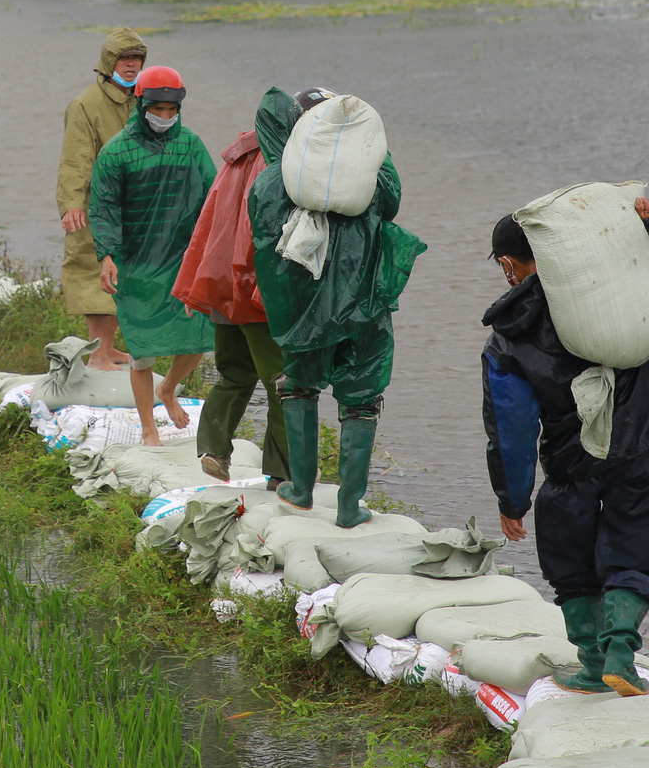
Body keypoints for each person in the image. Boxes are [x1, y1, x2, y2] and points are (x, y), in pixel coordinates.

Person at [480, 198, 649, 697]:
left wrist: (512, 500)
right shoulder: (619, 297)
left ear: (511, 263)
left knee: (572, 563)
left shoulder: (508, 340)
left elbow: (510, 428)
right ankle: (622, 655)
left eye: (503, 264)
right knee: (635, 548)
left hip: (570, 464)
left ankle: (591, 665)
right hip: (642, 446)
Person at [248, 87, 421, 528]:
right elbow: (393, 201)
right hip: (364, 305)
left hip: (306, 312)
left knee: (300, 386)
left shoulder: (273, 181)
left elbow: (265, 239)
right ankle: (349, 507)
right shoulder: (369, 179)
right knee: (362, 399)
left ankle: (300, 491)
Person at [88, 66, 215, 448]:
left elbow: (213, 196)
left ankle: (169, 389)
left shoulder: (190, 145)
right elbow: (104, 207)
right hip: (138, 263)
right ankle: (148, 429)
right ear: (140, 104)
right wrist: (107, 254)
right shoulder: (116, 152)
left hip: (182, 259)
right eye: (156, 109)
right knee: (142, 350)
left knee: (199, 336)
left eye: (170, 109)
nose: (163, 117)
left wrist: (213, 251)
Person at [170, 119, 292, 487]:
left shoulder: (234, 159)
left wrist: (194, 281)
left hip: (223, 285)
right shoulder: (282, 163)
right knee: (284, 385)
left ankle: (213, 449)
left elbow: (208, 224)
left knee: (233, 375)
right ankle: (283, 474)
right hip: (256, 294)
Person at [58, 27, 148, 371]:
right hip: (98, 205)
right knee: (92, 270)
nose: (131, 64)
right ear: (108, 62)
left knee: (125, 275)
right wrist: (72, 205)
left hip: (135, 205)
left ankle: (109, 349)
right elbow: (75, 159)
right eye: (124, 58)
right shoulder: (85, 105)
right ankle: (97, 354)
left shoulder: (144, 99)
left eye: (137, 58)